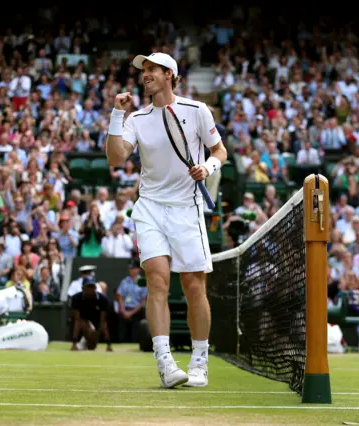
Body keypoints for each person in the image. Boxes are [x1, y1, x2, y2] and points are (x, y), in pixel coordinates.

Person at [106, 52, 228, 388]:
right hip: (150, 208)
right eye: (143, 72)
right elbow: (116, 158)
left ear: (169, 74)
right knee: (157, 281)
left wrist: (208, 167)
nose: (145, 76)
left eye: (152, 70)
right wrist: (117, 114)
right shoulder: (136, 117)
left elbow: (220, 151)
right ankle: (165, 363)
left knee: (193, 286)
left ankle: (199, 363)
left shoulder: (197, 111)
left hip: (187, 209)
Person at [70, 275, 112, 352]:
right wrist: (74, 343)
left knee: (91, 347)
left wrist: (108, 344)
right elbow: (77, 320)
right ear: (83, 288)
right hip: (82, 320)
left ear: (95, 288)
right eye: (88, 287)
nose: (90, 289)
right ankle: (80, 340)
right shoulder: (76, 298)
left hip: (96, 321)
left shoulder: (103, 299)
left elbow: (103, 322)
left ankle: (85, 340)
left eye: (92, 286)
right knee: (82, 324)